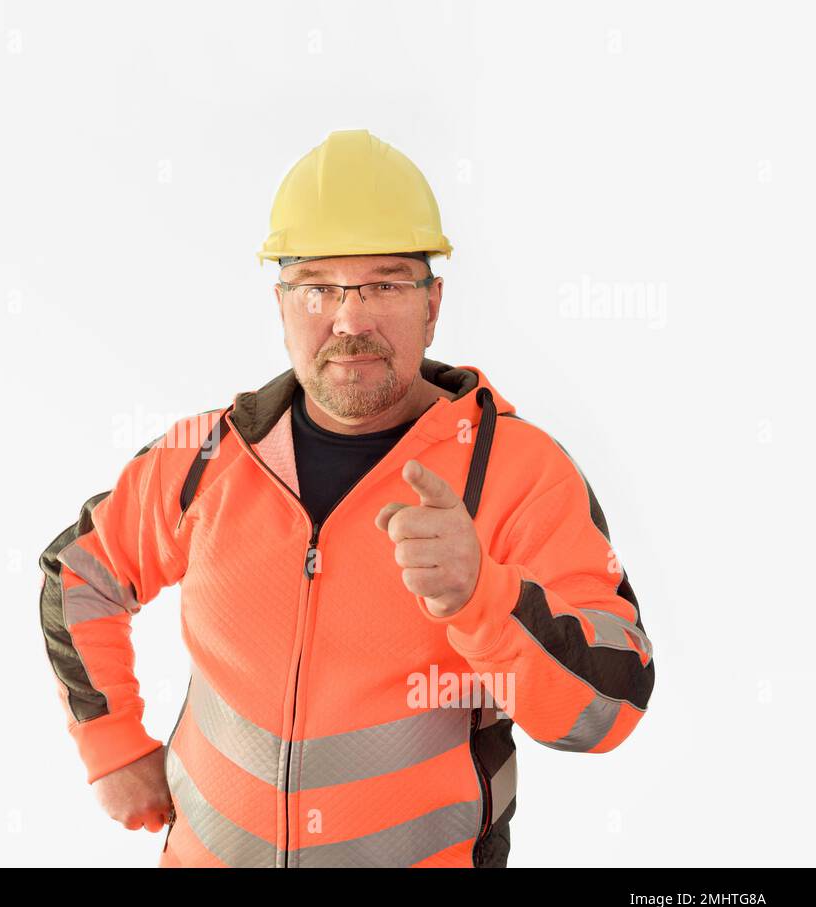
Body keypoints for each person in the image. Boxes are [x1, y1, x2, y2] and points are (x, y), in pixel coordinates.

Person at [38, 129, 655, 867]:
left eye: (386, 284)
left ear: (434, 303)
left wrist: (482, 597)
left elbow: (608, 708)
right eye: (319, 286)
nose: (350, 319)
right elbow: (79, 573)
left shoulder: (518, 471)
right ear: (282, 303)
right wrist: (111, 745)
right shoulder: (206, 456)